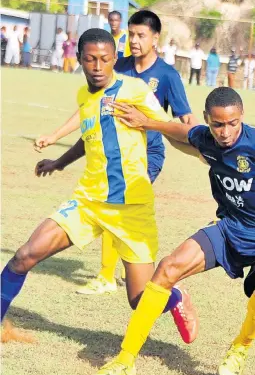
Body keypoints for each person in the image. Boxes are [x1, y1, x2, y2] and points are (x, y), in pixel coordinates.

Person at [88, 86, 255, 375]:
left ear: (242, 117)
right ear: (207, 120)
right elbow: (183, 131)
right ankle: (125, 361)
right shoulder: (205, 138)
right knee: (167, 268)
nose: (225, 132)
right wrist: (146, 121)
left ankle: (240, 347)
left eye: (233, 123)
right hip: (230, 229)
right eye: (218, 124)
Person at [1, 28, 198, 347]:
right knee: (25, 255)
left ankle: (175, 298)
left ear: (113, 60)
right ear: (78, 59)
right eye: (90, 59)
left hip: (132, 208)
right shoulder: (88, 96)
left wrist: (153, 124)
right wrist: (59, 163)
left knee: (139, 299)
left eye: (105, 59)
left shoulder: (134, 90)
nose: (97, 66)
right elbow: (89, 134)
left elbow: (173, 128)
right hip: (89, 201)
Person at [34, 10, 197, 297]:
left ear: (155, 39)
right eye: (131, 34)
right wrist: (56, 137)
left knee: (120, 198)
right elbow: (91, 111)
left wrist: (202, 147)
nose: (133, 41)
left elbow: (184, 119)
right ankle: (108, 275)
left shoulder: (167, 75)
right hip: (111, 150)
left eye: (140, 35)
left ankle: (132, 275)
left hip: (149, 150)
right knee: (110, 196)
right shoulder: (116, 65)